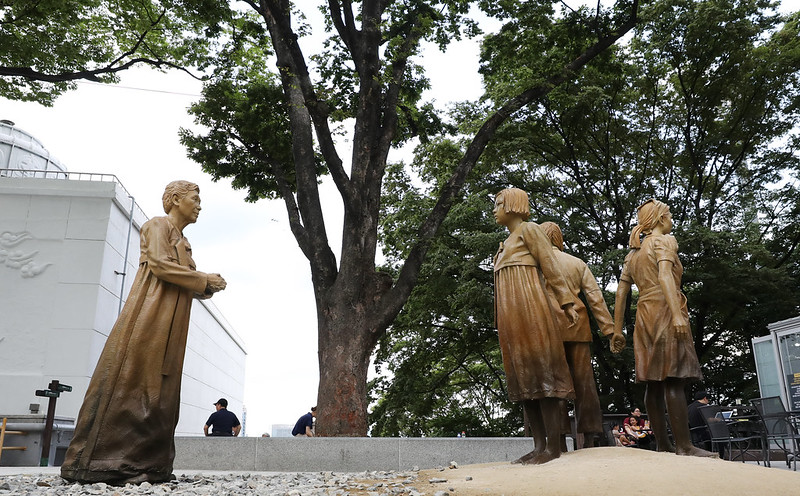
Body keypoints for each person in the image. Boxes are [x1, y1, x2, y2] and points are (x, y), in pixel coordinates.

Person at [61, 180, 227, 484]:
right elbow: (161, 266)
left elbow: (182, 278)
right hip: (151, 316)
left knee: (163, 390)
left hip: (173, 322)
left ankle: (149, 464)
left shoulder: (183, 239)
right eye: (194, 199)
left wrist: (205, 287)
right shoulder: (157, 226)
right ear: (175, 199)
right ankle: (105, 463)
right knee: (138, 379)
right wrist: (203, 280)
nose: (199, 205)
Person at [613, 199, 714, 458]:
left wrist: (617, 329)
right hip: (665, 310)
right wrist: (677, 315)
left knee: (653, 382)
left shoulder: (632, 254)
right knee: (673, 378)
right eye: (669, 215)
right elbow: (665, 276)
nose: (671, 220)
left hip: (644, 315)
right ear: (660, 219)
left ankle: (663, 444)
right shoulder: (665, 241)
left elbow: (622, 293)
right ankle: (684, 446)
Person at [492, 188, 579, 465]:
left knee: (543, 372)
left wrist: (567, 302)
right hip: (511, 317)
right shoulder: (504, 243)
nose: (494, 210)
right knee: (524, 378)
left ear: (512, 205)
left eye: (498, 204)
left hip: (531, 309)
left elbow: (550, 265)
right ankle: (538, 445)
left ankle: (553, 447)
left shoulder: (529, 230)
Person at [539, 222, 625, 448]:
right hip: (577, 325)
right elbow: (595, 298)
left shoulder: (537, 265)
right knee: (585, 381)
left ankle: (558, 440)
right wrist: (610, 331)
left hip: (548, 328)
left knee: (554, 382)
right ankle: (589, 437)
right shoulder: (577, 263)